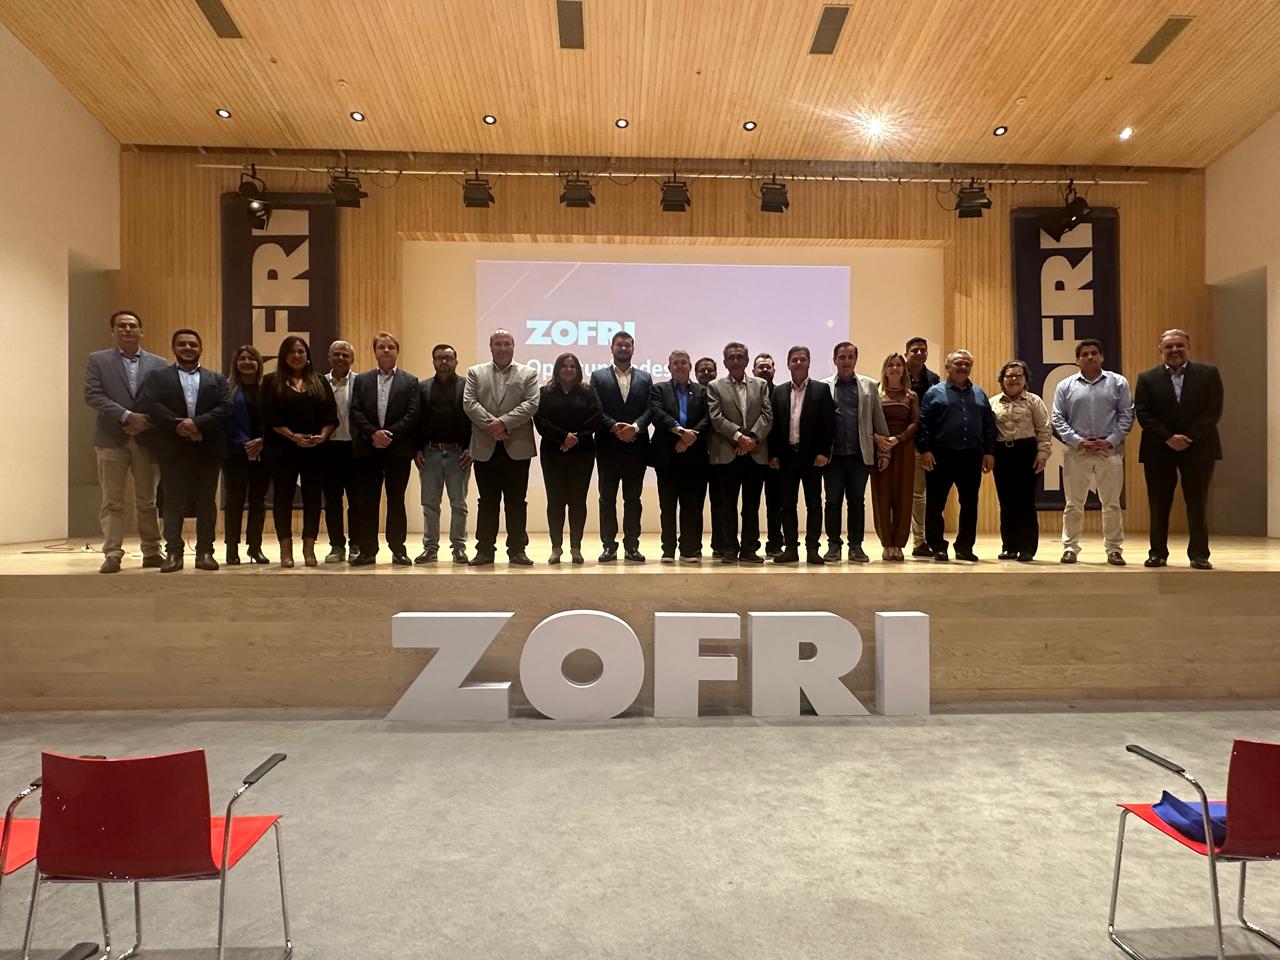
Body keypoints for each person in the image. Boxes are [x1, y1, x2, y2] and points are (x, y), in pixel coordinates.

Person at [136, 329, 231, 572]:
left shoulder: (217, 378)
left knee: (206, 503)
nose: (188, 348)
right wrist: (178, 424)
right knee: (173, 502)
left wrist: (197, 424)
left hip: (206, 448)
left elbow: (224, 408)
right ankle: (174, 552)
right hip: (173, 449)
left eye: (192, 344)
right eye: (182, 344)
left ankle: (205, 552)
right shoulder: (158, 377)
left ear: (201, 348)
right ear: (174, 348)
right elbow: (150, 404)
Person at [83, 310, 169, 573]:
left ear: (141, 331)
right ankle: (112, 553)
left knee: (148, 500)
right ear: (113, 332)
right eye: (121, 326)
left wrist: (145, 421)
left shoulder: (159, 363)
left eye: (132, 325)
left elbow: (165, 400)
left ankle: (152, 551)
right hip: (111, 439)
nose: (127, 329)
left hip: (147, 440)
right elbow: (93, 395)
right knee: (112, 501)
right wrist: (127, 416)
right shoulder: (97, 360)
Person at [1134, 329, 1223, 570]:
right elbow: (1143, 412)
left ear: (1188, 346)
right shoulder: (1146, 378)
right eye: (1169, 346)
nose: (1174, 350)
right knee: (1158, 503)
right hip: (1158, 449)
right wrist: (1168, 438)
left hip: (1199, 448)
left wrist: (1189, 437)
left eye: (1179, 345)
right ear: (1160, 350)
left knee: (1197, 502)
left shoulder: (1209, 374)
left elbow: (1213, 411)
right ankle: (1157, 553)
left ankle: (1199, 554)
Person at [1051, 338, 1134, 566]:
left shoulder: (1118, 382)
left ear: (1101, 357)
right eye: (1084, 354)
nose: (1089, 357)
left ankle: (1114, 550)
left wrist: (1111, 440)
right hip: (1077, 451)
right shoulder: (1065, 386)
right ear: (1077, 360)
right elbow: (1057, 418)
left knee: (1111, 504)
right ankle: (1070, 548)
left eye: (1094, 353)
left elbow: (1127, 414)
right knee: (1073, 504)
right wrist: (1078, 441)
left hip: (1110, 451)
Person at [464, 329, 540, 566]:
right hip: (485, 446)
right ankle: (484, 551)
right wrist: (493, 426)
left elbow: (531, 404)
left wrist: (503, 423)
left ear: (513, 346)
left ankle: (517, 550)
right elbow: (469, 403)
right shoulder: (475, 372)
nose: (503, 348)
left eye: (507, 343)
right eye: (498, 344)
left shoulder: (528, 373)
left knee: (516, 502)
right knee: (487, 501)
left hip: (517, 446)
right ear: (491, 347)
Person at [260, 336, 338, 568]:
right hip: (282, 449)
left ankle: (308, 548)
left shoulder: (319, 381)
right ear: (284, 356)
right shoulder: (271, 381)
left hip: (315, 450)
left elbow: (331, 415)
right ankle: (286, 549)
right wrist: (293, 436)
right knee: (282, 498)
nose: (297, 356)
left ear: (308, 356)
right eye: (292, 352)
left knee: (313, 498)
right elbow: (269, 417)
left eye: (301, 351)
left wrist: (322, 436)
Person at [917, 349, 995, 562]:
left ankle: (965, 548)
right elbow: (923, 425)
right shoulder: (933, 393)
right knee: (935, 505)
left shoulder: (980, 393)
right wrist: (925, 450)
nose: (963, 367)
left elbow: (988, 425)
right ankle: (937, 547)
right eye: (958, 363)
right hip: (940, 456)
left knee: (969, 504)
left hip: (971, 456)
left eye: (967, 364)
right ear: (947, 367)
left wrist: (989, 452)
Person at [349, 332, 420, 566]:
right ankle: (368, 551)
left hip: (397, 451)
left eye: (391, 347)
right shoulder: (362, 380)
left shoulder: (410, 381)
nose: (386, 350)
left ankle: (398, 549)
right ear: (375, 351)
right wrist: (373, 433)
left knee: (396, 501)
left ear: (397, 351)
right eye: (381, 347)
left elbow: (412, 414)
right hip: (368, 450)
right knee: (368, 502)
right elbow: (355, 411)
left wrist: (389, 434)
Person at [821, 341, 889, 563]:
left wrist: (884, 453)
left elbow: (878, 420)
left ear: (856, 359)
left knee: (857, 502)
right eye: (842, 357)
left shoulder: (869, 385)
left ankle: (856, 546)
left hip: (860, 455)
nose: (846, 361)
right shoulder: (823, 387)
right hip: (833, 457)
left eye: (850, 357)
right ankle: (833, 545)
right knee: (832, 502)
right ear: (834, 360)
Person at [705, 341, 773, 564]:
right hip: (728, 452)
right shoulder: (715, 386)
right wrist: (738, 437)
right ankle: (729, 549)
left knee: (752, 505)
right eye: (731, 357)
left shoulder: (761, 385)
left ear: (746, 360)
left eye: (740, 357)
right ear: (725, 362)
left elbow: (767, 415)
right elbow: (716, 418)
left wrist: (751, 438)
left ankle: (749, 549)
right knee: (728, 505)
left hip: (755, 452)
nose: (735, 361)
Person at [589, 332, 653, 563]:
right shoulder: (598, 376)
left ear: (633, 349)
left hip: (636, 447)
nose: (623, 348)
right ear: (612, 348)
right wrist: (614, 427)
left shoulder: (645, 378)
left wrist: (635, 428)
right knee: (606, 499)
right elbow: (596, 409)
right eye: (619, 345)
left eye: (627, 345)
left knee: (633, 499)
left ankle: (632, 545)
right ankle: (609, 545)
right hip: (607, 446)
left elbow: (650, 409)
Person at [768, 346, 834, 565]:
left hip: (812, 458)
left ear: (809, 362)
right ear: (788, 364)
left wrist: (824, 452)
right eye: (794, 360)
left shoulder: (821, 390)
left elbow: (828, 424)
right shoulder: (778, 392)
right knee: (787, 505)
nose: (798, 363)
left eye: (802, 359)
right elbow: (773, 426)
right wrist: (773, 454)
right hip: (786, 457)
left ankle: (813, 549)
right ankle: (791, 549)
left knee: (814, 504)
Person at [536, 353, 602, 565]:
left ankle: (575, 548)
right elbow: (540, 420)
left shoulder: (588, 392)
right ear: (557, 369)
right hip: (552, 453)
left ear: (578, 370)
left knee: (577, 501)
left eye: (573, 366)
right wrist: (562, 437)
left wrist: (573, 439)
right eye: (564, 366)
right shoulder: (545, 392)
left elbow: (596, 417)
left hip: (582, 453)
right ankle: (556, 548)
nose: (568, 369)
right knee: (555, 501)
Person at [649, 350, 711, 563]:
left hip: (694, 457)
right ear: (669, 367)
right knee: (667, 506)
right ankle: (668, 550)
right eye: (675, 363)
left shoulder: (703, 391)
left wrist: (690, 437)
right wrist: (680, 431)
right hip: (667, 456)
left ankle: (688, 549)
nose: (680, 366)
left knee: (690, 506)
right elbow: (657, 414)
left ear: (690, 366)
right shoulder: (658, 389)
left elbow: (708, 418)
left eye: (684, 362)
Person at [414, 344, 471, 565]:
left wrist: (471, 449)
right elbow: (416, 420)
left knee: (459, 504)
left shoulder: (467, 386)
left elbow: (475, 421)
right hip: (430, 453)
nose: (444, 362)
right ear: (433, 361)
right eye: (439, 358)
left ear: (456, 361)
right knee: (429, 504)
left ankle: (459, 548)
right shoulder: (422, 388)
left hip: (458, 453)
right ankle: (430, 549)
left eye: (448, 358)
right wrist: (416, 449)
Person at [989, 360, 1051, 563]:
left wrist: (1042, 453)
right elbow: (988, 432)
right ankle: (1009, 546)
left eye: (1018, 375)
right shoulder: (993, 403)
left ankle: (1027, 548)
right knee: (1006, 502)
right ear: (1002, 379)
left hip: (1027, 453)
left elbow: (1044, 429)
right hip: (1002, 454)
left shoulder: (1034, 401)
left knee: (1025, 502)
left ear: (1025, 379)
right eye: (1009, 376)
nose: (1014, 379)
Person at [222, 345, 270, 565]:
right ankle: (231, 548)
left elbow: (274, 419)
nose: (247, 362)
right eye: (242, 358)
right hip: (234, 453)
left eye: (251, 358)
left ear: (258, 363)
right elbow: (224, 420)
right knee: (234, 501)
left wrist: (261, 441)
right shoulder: (227, 389)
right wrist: (245, 442)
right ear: (236, 363)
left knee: (258, 502)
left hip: (263, 452)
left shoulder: (268, 389)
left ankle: (255, 547)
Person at [870, 352, 919, 562]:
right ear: (885, 369)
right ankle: (886, 543)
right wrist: (877, 438)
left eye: (899, 365)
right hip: (880, 449)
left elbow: (916, 422)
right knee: (881, 496)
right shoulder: (876, 393)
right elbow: (867, 419)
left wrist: (899, 438)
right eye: (891, 365)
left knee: (903, 495)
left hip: (903, 448)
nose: (895, 368)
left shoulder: (911, 395)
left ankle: (898, 543)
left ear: (904, 369)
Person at [904, 336, 940, 557]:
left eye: (923, 350)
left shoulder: (934, 379)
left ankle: (919, 541)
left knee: (919, 496)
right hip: (899, 443)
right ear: (906, 353)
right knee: (899, 495)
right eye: (915, 350)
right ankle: (893, 542)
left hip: (923, 445)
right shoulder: (896, 374)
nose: (919, 353)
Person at [322, 340, 358, 563]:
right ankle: (336, 545)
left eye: (345, 355)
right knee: (332, 501)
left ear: (352, 359)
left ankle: (356, 544)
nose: (341, 358)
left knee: (356, 501)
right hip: (329, 449)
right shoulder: (320, 383)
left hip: (354, 449)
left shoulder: (361, 382)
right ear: (329, 357)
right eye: (336, 354)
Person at [753, 352, 783, 556]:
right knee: (751, 505)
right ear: (753, 370)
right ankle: (750, 545)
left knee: (775, 505)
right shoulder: (748, 392)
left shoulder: (781, 393)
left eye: (768, 367)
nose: (764, 370)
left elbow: (781, 427)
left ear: (774, 370)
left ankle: (775, 544)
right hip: (753, 456)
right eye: (760, 367)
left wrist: (775, 455)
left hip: (775, 460)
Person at [695, 357, 725, 557]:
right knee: (695, 505)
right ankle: (694, 547)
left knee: (720, 504)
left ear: (716, 372)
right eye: (702, 371)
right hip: (695, 459)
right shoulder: (691, 395)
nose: (706, 374)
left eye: (710, 370)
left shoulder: (722, 393)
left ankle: (720, 545)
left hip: (719, 457)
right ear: (695, 374)